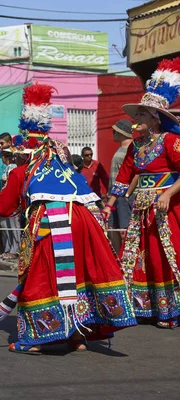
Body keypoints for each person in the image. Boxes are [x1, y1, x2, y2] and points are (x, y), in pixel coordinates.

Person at [0, 83, 135, 354]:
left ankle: (37, 338)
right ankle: (77, 336)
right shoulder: (65, 167)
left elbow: (4, 208)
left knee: (42, 276)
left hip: (51, 223)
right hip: (84, 220)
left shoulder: (22, 170)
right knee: (79, 274)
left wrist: (15, 185)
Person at [104, 58, 180, 329]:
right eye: (137, 115)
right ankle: (144, 305)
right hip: (141, 209)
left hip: (166, 208)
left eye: (141, 115)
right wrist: (108, 205)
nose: (135, 119)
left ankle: (170, 310)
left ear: (155, 118)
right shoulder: (136, 146)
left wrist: (168, 195)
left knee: (165, 253)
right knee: (138, 253)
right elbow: (124, 177)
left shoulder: (172, 142)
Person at [0, 133, 20, 260]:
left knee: (13, 227)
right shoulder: (7, 167)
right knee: (5, 226)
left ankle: (15, 250)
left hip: (12, 202)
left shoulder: (13, 167)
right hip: (4, 200)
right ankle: (8, 249)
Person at [108, 120, 135, 253]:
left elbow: (132, 176)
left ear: (121, 133)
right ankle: (118, 259)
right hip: (115, 197)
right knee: (113, 227)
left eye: (115, 131)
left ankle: (126, 259)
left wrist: (126, 195)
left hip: (123, 197)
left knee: (124, 230)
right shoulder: (122, 149)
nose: (113, 133)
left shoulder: (128, 151)